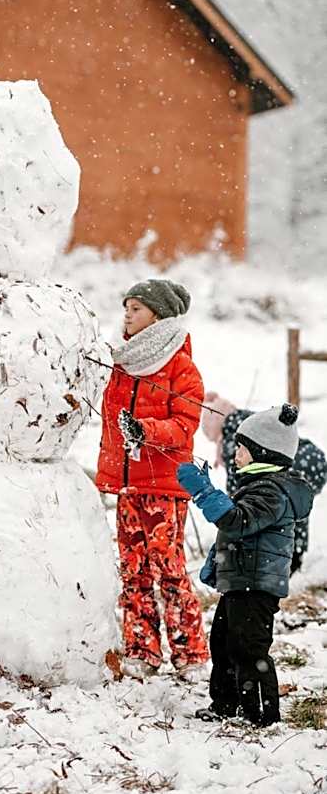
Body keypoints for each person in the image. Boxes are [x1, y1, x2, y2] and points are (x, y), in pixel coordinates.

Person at [96, 278, 208, 680]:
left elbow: (185, 424)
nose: (127, 315)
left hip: (164, 486)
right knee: (133, 570)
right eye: (125, 308)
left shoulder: (181, 366)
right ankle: (142, 649)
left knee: (169, 569)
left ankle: (190, 653)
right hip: (128, 485)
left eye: (136, 309)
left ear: (158, 316)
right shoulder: (120, 362)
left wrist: (146, 431)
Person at [178, 404, 313, 727]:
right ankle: (226, 704)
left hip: (257, 586)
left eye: (242, 448)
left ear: (262, 453)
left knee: (249, 649)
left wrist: (204, 492)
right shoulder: (257, 487)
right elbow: (238, 532)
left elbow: (237, 522)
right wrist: (218, 565)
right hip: (243, 582)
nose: (234, 453)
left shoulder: (272, 491)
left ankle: (262, 714)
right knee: (223, 643)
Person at [202, 392, 326, 572]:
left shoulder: (236, 439)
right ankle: (295, 553)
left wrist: (232, 513)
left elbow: (238, 483)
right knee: (292, 509)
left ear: (218, 431)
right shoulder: (250, 422)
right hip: (313, 458)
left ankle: (289, 559)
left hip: (299, 464)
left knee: (279, 511)